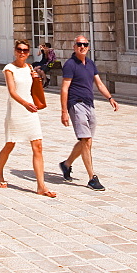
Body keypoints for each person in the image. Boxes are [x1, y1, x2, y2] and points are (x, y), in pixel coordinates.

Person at [0, 40, 56, 197]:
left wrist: (36, 78)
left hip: (30, 111)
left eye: (25, 50)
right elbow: (12, 91)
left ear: (28, 52)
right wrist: (25, 104)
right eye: (19, 49)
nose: (22, 52)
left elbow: (32, 88)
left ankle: (41, 186)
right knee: (10, 144)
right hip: (17, 109)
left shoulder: (29, 67)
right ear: (15, 51)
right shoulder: (9, 69)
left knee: (38, 146)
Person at [59, 35, 119, 191]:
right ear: (74, 46)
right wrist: (64, 111)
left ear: (88, 47)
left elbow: (98, 83)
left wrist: (110, 98)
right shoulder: (70, 65)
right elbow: (64, 88)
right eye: (79, 44)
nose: (82, 47)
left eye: (85, 44)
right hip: (76, 104)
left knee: (87, 141)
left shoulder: (91, 64)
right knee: (86, 140)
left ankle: (66, 165)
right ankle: (92, 178)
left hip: (89, 105)